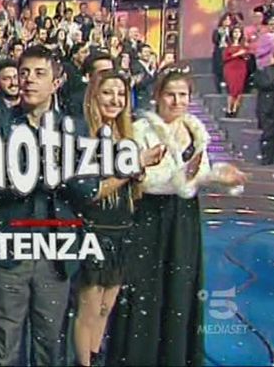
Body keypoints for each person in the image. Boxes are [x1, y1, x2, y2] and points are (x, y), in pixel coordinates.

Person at [106, 69, 247, 367]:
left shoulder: (196, 131)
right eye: (170, 94)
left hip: (184, 219)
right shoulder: (140, 130)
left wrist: (221, 177)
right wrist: (182, 178)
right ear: (157, 96)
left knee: (180, 287)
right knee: (145, 288)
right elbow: (143, 180)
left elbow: (199, 175)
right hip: (148, 217)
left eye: (183, 95)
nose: (177, 101)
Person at [62, 71, 165, 367]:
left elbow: (133, 190)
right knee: (89, 309)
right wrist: (133, 165)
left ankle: (95, 358)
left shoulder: (125, 137)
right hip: (94, 231)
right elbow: (90, 192)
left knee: (106, 308)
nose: (115, 100)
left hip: (122, 230)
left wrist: (140, 173)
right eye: (108, 92)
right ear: (94, 95)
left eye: (121, 94)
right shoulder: (82, 136)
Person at [0, 45, 70, 366]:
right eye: (24, 73)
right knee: (3, 347)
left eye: (39, 73)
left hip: (55, 255)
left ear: (56, 82)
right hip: (9, 252)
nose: (29, 79)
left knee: (50, 346)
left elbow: (81, 188)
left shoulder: (71, 128)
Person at [223, 26, 250, 117]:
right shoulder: (228, 46)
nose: (237, 34)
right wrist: (237, 54)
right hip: (230, 68)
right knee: (232, 89)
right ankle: (228, 109)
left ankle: (234, 109)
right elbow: (225, 58)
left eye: (238, 32)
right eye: (235, 32)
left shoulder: (244, 46)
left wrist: (244, 54)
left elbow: (247, 57)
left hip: (241, 68)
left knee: (239, 89)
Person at [59, 42, 91, 117]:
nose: (87, 55)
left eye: (88, 52)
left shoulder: (88, 69)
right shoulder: (66, 68)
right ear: (74, 55)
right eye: (84, 52)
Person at [131, 44, 157, 111]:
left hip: (151, 100)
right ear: (139, 54)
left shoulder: (150, 67)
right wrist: (151, 72)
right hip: (141, 100)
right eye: (145, 52)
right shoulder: (136, 66)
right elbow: (140, 83)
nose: (148, 54)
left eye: (149, 52)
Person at [212, 13, 233, 93]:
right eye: (225, 19)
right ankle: (219, 88)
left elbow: (232, 41)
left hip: (229, 51)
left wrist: (227, 34)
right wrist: (222, 35)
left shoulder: (231, 31)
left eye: (228, 19)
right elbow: (215, 41)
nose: (227, 21)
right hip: (219, 52)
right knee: (218, 70)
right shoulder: (217, 31)